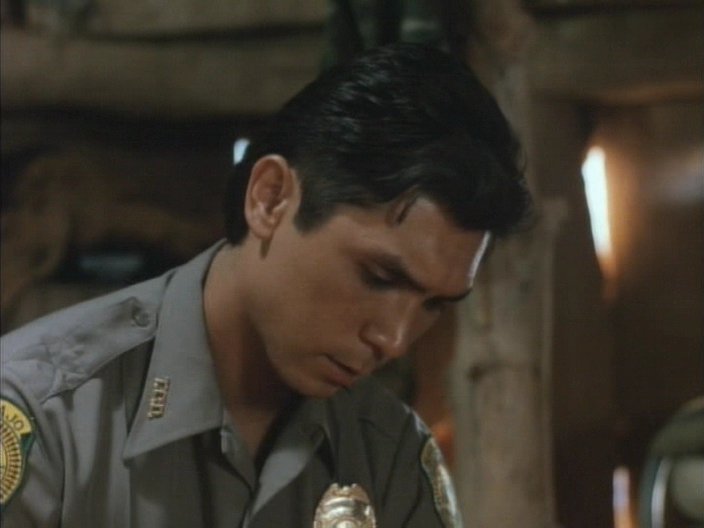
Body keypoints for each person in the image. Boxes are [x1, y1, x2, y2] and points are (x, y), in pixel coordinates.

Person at [0, 43, 531, 527]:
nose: (394, 339)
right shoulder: (45, 420)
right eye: (379, 276)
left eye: (434, 305)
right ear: (270, 198)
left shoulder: (390, 456)